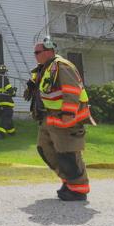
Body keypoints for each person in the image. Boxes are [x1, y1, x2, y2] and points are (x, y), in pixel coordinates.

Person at [27, 37, 91, 201]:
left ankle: (78, 189)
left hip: (65, 117)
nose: (35, 55)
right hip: (49, 117)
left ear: (49, 51)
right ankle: (69, 182)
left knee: (67, 152)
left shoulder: (61, 66)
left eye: (37, 52)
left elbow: (71, 90)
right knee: (45, 150)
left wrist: (68, 114)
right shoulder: (45, 68)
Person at [0, 64, 17, 138]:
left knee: (7, 117)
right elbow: (9, 90)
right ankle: (0, 133)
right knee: (6, 118)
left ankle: (12, 132)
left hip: (0, 102)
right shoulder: (4, 79)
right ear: (4, 72)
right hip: (7, 102)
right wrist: (13, 92)